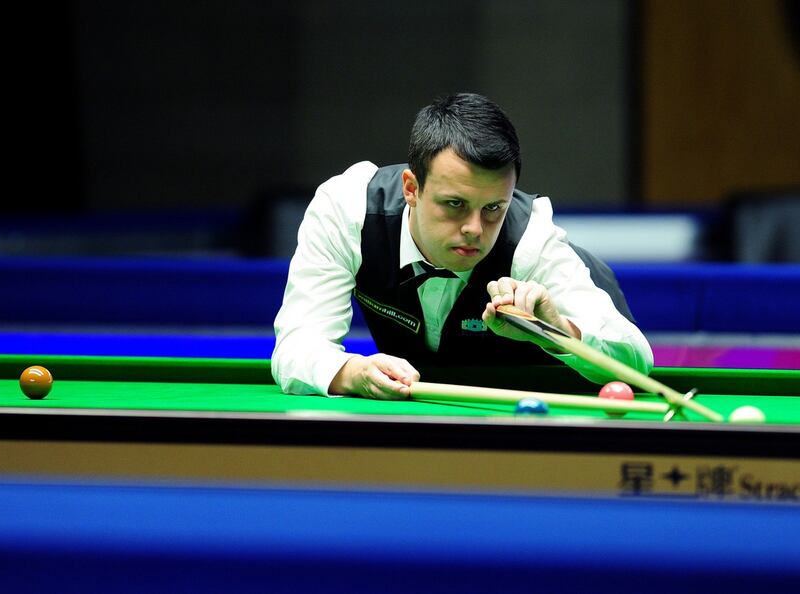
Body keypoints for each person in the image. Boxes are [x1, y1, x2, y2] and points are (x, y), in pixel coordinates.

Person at [272, 93, 652, 399]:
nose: (474, 229)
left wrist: (555, 329)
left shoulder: (531, 241)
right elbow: (297, 346)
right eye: (455, 204)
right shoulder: (349, 213)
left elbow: (636, 361)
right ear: (411, 189)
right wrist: (350, 372)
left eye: (493, 208)